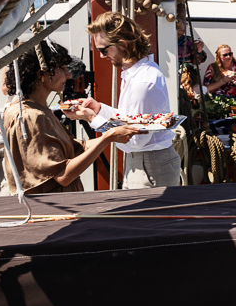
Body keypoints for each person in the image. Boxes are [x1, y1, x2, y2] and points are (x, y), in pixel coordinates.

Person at [1, 42, 141, 194]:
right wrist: (107, 138)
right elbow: (63, 176)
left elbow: (74, 147)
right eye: (61, 69)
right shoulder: (31, 116)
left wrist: (119, 132)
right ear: (42, 74)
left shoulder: (36, 108)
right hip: (51, 208)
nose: (68, 75)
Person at [74, 12, 182, 188]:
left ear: (122, 45)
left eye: (103, 50)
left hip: (148, 165)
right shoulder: (137, 73)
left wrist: (92, 119)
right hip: (145, 162)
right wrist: (99, 109)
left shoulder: (142, 83)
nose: (101, 56)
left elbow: (135, 138)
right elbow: (129, 120)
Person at [204, 44, 236, 108]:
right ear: (219, 56)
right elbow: (207, 88)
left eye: (230, 54)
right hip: (220, 101)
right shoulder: (212, 68)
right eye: (225, 55)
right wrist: (222, 81)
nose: (228, 56)